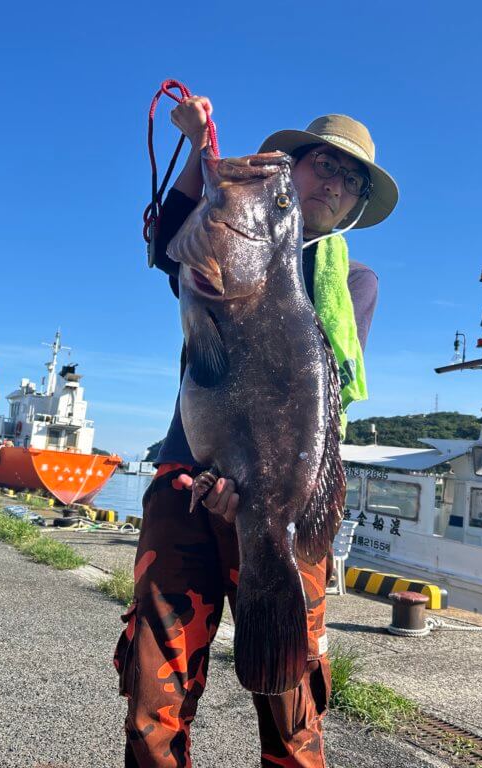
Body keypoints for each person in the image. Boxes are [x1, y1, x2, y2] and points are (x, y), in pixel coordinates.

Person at [115, 97, 398, 768]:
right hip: (187, 479)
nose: (335, 184)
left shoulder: (352, 280)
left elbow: (319, 392)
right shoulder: (223, 253)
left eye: (351, 181)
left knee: (291, 700)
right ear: (291, 171)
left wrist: (263, 491)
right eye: (323, 165)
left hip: (287, 506)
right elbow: (171, 238)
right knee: (157, 680)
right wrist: (198, 147)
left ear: (355, 207)